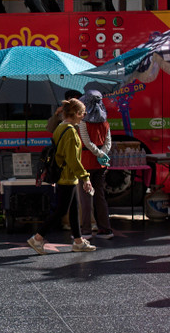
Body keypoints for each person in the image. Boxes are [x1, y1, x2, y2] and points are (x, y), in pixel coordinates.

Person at [27, 96, 96, 255]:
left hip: (64, 175)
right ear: (77, 113)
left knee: (72, 210)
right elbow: (73, 159)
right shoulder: (71, 132)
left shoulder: (61, 127)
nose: (84, 116)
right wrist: (85, 177)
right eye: (83, 113)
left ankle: (78, 241)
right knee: (61, 210)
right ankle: (38, 238)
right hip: (67, 177)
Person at [77, 89, 114, 238]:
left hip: (86, 162)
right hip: (101, 164)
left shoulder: (83, 122)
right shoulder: (105, 122)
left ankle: (86, 231)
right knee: (100, 196)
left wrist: (97, 154)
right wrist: (102, 154)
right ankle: (105, 229)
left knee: (86, 198)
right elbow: (108, 143)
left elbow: (86, 142)